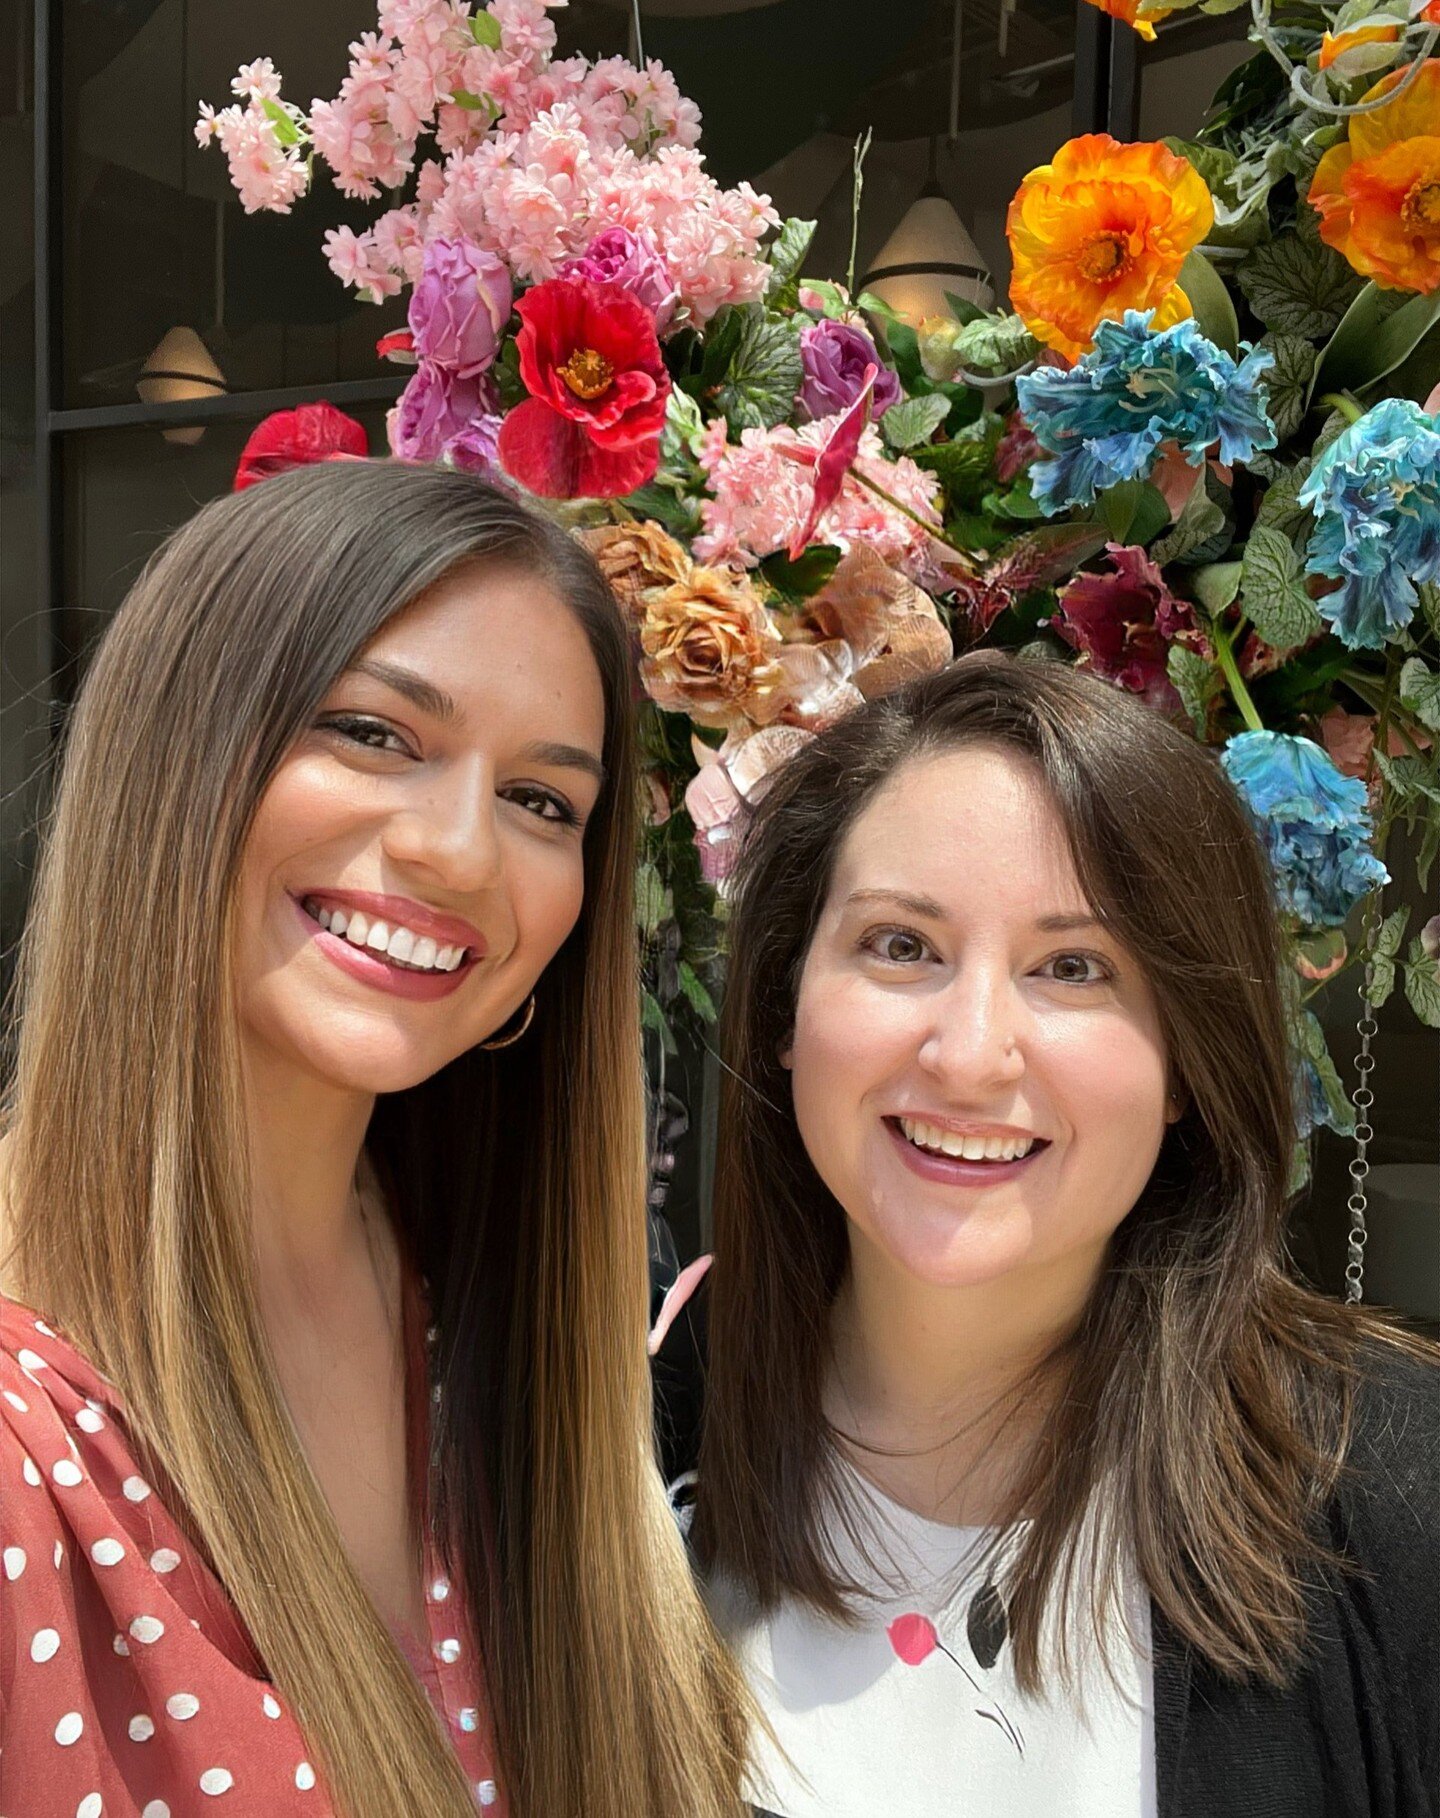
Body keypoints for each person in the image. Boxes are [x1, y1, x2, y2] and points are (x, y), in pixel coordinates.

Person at [0, 462, 748, 1818]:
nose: (463, 852)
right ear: (166, 752)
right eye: (374, 732)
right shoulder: (24, 1436)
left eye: (541, 801)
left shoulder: (505, 1330)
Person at [686, 652, 1440, 1818]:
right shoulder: (613, 1447)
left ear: (1189, 1061)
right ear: (786, 1003)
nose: (970, 1052)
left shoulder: (1394, 1482)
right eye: (900, 946)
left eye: (1073, 968)